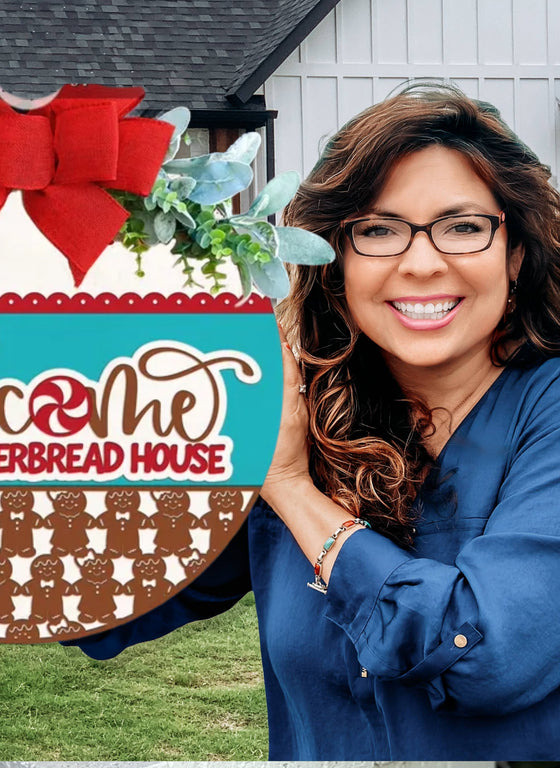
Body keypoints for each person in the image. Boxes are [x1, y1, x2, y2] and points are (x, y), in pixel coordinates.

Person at [66, 84, 560, 759]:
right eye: (378, 230)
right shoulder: (306, 414)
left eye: (464, 226)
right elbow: (98, 602)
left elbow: (487, 657)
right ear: (337, 262)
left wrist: (293, 488)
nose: (420, 263)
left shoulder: (545, 413)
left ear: (516, 253)